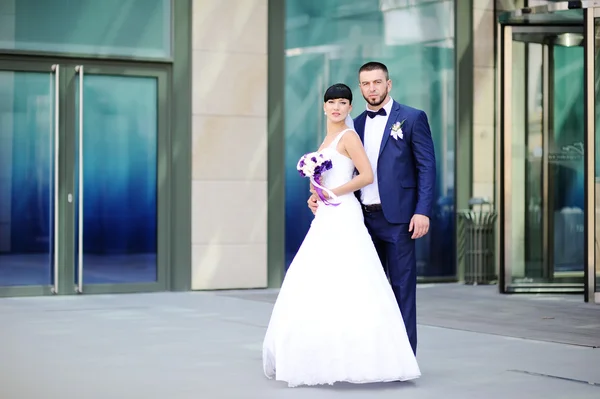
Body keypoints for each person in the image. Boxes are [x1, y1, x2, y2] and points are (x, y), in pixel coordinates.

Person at [262, 83, 420, 388]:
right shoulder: (326, 139)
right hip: (326, 214)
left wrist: (330, 192)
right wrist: (314, 194)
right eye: (331, 102)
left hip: (344, 211)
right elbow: (320, 180)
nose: (336, 107)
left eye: (343, 102)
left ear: (350, 108)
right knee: (318, 279)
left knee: (351, 277)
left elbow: (366, 175)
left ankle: (363, 357)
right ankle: (321, 354)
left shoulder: (349, 136)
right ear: (323, 107)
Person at [308, 62, 436, 356]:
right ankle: (373, 356)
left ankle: (403, 358)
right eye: (365, 84)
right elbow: (341, 170)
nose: (372, 89)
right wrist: (317, 193)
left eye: (377, 82)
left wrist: (423, 210)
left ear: (388, 84)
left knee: (402, 289)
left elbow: (426, 167)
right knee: (367, 289)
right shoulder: (355, 125)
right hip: (361, 219)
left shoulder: (413, 118)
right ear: (360, 88)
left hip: (400, 219)